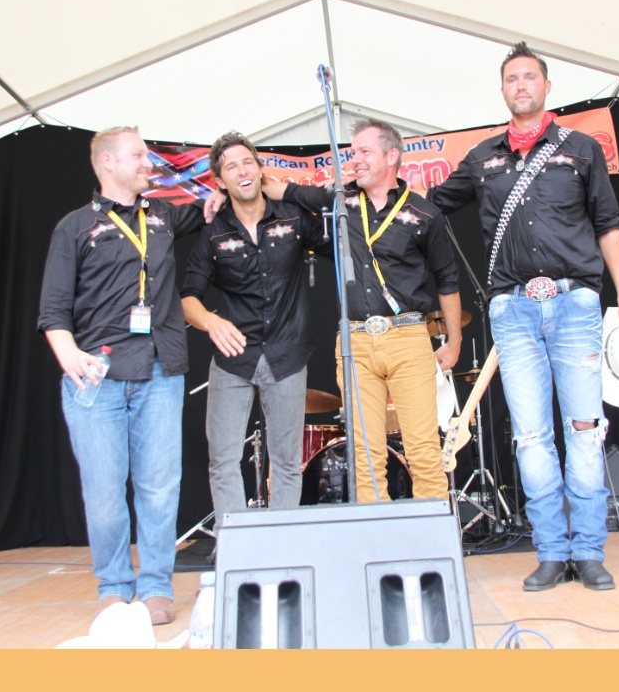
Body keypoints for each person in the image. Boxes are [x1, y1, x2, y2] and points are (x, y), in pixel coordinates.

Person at [429, 43, 619, 592]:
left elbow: (608, 225)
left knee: (584, 431)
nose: (521, 85)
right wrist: (369, 192)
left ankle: (590, 551)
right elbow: (427, 206)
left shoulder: (581, 148)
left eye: (530, 77)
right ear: (503, 90)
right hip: (513, 309)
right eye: (512, 78)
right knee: (531, 438)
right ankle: (552, 551)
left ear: (547, 86)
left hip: (576, 304)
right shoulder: (482, 158)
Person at [38, 126, 207, 625]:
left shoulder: (164, 217)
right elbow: (53, 309)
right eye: (138, 155)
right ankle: (113, 586)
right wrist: (68, 354)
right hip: (98, 376)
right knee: (105, 491)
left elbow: (216, 204)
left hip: (159, 372)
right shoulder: (74, 227)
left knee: (160, 487)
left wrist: (227, 189)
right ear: (107, 162)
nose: (147, 163)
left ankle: (155, 586)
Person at [265, 117, 462, 503]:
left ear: (391, 156)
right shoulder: (340, 202)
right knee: (365, 456)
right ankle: (377, 534)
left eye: (365, 152)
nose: (355, 160)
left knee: (423, 449)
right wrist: (230, 189)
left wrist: (453, 342)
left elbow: (448, 281)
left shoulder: (424, 213)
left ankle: (432, 532)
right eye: (352, 153)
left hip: (408, 336)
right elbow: (280, 190)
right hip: (355, 340)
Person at [181, 131, 326, 520]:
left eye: (248, 162)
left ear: (260, 169)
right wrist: (210, 321)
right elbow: (187, 298)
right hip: (234, 359)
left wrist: (289, 191)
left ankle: (281, 543)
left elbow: (344, 232)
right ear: (219, 180)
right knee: (223, 460)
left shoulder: (293, 217)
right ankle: (234, 544)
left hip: (288, 354)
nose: (242, 171)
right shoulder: (213, 229)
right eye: (232, 167)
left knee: (287, 461)